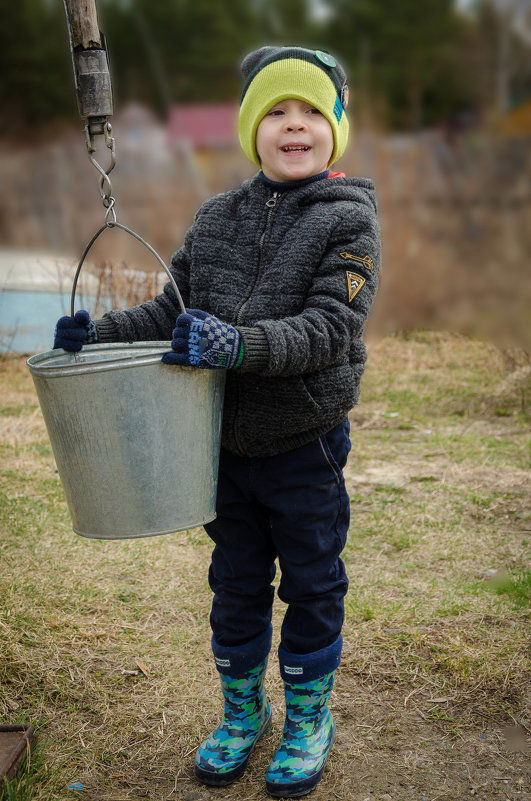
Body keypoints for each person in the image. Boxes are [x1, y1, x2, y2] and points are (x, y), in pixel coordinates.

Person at [54, 46, 380, 798]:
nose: (292, 124)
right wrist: (98, 332)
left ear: (335, 127)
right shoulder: (218, 217)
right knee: (233, 581)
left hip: (304, 447)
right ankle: (243, 712)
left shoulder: (349, 219)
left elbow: (329, 327)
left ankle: (307, 717)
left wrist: (237, 345)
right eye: (274, 111)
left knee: (310, 580)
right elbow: (172, 306)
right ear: (248, 129)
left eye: (309, 111)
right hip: (221, 447)